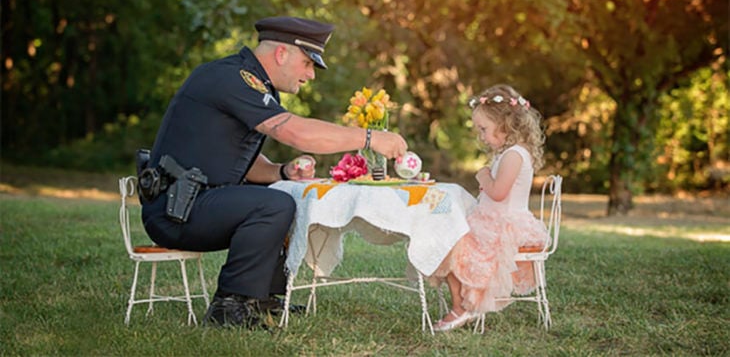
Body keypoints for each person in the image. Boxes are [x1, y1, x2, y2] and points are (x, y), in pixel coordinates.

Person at [140, 16, 408, 329]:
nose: (310, 75)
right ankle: (230, 305)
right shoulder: (234, 79)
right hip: (174, 212)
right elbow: (296, 133)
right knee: (273, 205)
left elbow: (231, 154)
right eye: (308, 63)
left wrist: (281, 171)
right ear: (282, 54)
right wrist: (370, 137)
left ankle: (263, 299)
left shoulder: (250, 82)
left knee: (282, 194)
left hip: (193, 202)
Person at [429, 84, 548, 332]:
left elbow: (498, 192)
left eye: (484, 129)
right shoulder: (509, 153)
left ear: (505, 124)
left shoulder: (514, 154)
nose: (481, 136)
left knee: (451, 243)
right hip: (494, 220)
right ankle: (462, 304)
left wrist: (483, 177)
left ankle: (460, 308)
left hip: (505, 227)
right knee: (446, 237)